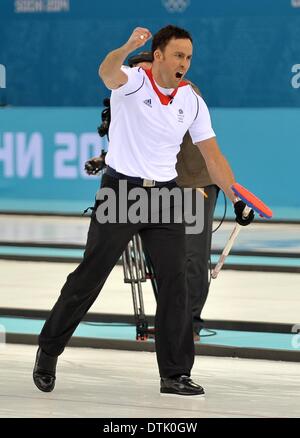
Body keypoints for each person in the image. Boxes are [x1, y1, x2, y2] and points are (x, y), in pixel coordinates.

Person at [33, 25, 254, 397]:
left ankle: (174, 373)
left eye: (188, 57)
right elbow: (106, 72)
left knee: (175, 283)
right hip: (121, 192)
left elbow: (212, 157)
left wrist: (235, 198)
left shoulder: (192, 101)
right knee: (89, 277)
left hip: (164, 197)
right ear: (158, 55)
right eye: (178, 55)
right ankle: (48, 351)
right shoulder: (133, 81)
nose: (184, 63)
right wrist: (126, 46)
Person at [86, 51, 218, 342]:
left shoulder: (182, 91)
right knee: (162, 259)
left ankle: (190, 324)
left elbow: (180, 140)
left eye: (139, 71)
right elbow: (138, 143)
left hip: (194, 182)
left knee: (191, 256)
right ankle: (172, 319)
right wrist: (105, 159)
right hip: (162, 186)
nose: (135, 79)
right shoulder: (133, 92)